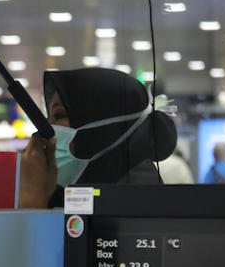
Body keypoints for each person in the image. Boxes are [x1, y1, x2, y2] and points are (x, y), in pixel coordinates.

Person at [19, 68, 176, 208]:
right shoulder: (88, 182)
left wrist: (32, 200)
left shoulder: (134, 195)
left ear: (103, 128)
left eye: (59, 115)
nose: (48, 127)